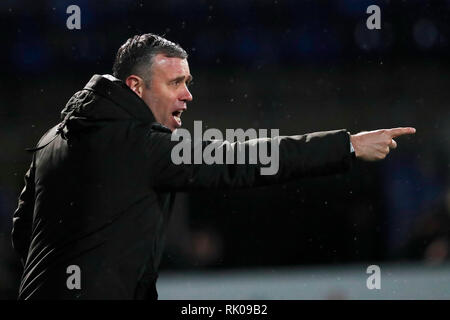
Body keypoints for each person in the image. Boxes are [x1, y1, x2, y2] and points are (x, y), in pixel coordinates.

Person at [11, 33, 416, 300]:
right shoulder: (144, 147)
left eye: (188, 82)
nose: (188, 95)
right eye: (175, 83)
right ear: (136, 87)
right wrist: (346, 146)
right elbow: (244, 159)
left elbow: (23, 235)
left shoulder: (51, 140)